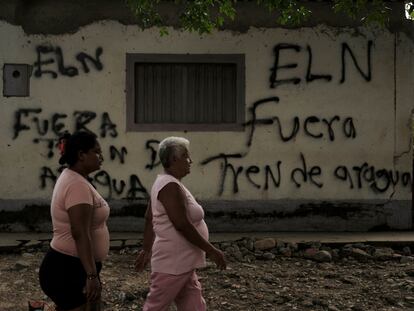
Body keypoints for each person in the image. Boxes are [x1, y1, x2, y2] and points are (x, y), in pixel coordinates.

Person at [135, 136, 226, 311]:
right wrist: (211, 250)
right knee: (156, 307)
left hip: (183, 263)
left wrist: (146, 248)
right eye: (186, 156)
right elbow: (181, 224)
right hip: (173, 264)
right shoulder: (169, 186)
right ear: (174, 159)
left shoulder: (170, 183)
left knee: (195, 306)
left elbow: (149, 217)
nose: (190, 161)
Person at [39, 131, 109, 311]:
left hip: (76, 266)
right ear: (81, 155)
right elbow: (79, 232)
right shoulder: (76, 185)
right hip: (67, 269)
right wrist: (92, 275)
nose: (101, 156)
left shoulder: (76, 178)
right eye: (96, 151)